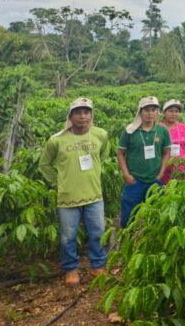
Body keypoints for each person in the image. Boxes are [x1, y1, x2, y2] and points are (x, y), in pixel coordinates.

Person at [39, 98, 109, 286]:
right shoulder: (57, 140)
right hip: (68, 197)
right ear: (70, 116)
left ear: (91, 115)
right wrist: (58, 183)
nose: (82, 116)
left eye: (86, 112)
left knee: (97, 232)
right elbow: (44, 164)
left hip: (94, 195)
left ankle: (98, 265)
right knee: (68, 236)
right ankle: (71, 270)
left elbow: (103, 156)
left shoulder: (100, 135)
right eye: (78, 112)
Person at [117, 96, 172, 228]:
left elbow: (166, 152)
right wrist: (126, 174)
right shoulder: (130, 130)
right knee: (128, 218)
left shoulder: (162, 131)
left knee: (154, 216)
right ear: (140, 112)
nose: (150, 113)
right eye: (146, 110)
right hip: (134, 180)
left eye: (153, 110)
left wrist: (161, 173)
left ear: (158, 113)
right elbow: (120, 153)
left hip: (154, 180)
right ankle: (125, 242)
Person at [160, 99, 185, 184]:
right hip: (162, 172)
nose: (174, 114)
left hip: (182, 171)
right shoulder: (158, 129)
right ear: (164, 113)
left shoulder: (184, 128)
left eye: (177, 111)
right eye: (170, 111)